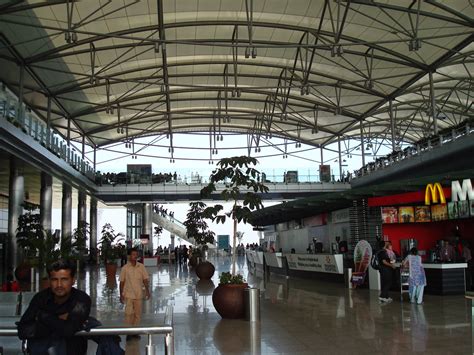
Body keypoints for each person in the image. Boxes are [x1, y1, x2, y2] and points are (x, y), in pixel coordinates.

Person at [17, 259, 91, 355]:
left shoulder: (81, 299)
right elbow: (23, 331)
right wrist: (59, 321)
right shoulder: (41, 298)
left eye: (64, 279)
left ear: (73, 280)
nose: (59, 285)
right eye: (54, 279)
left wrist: (42, 316)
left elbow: (68, 330)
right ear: (49, 281)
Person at [120, 248, 150, 338]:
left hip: (138, 294)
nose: (135, 256)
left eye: (136, 254)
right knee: (128, 314)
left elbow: (145, 279)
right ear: (129, 256)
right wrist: (121, 294)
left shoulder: (141, 267)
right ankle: (129, 332)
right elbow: (122, 282)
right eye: (133, 254)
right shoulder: (125, 268)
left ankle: (135, 331)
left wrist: (147, 291)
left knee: (137, 314)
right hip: (128, 294)